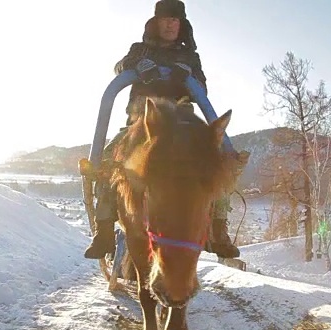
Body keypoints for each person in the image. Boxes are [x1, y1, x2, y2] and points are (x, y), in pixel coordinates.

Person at [84, 0, 245, 260]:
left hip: (182, 123)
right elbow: (119, 67)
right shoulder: (140, 49)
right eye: (165, 19)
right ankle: (103, 231)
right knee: (107, 159)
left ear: (181, 25)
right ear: (156, 22)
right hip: (141, 121)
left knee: (218, 160)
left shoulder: (190, 57)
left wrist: (189, 76)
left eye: (175, 20)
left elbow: (201, 87)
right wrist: (135, 68)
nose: (170, 24)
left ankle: (217, 229)